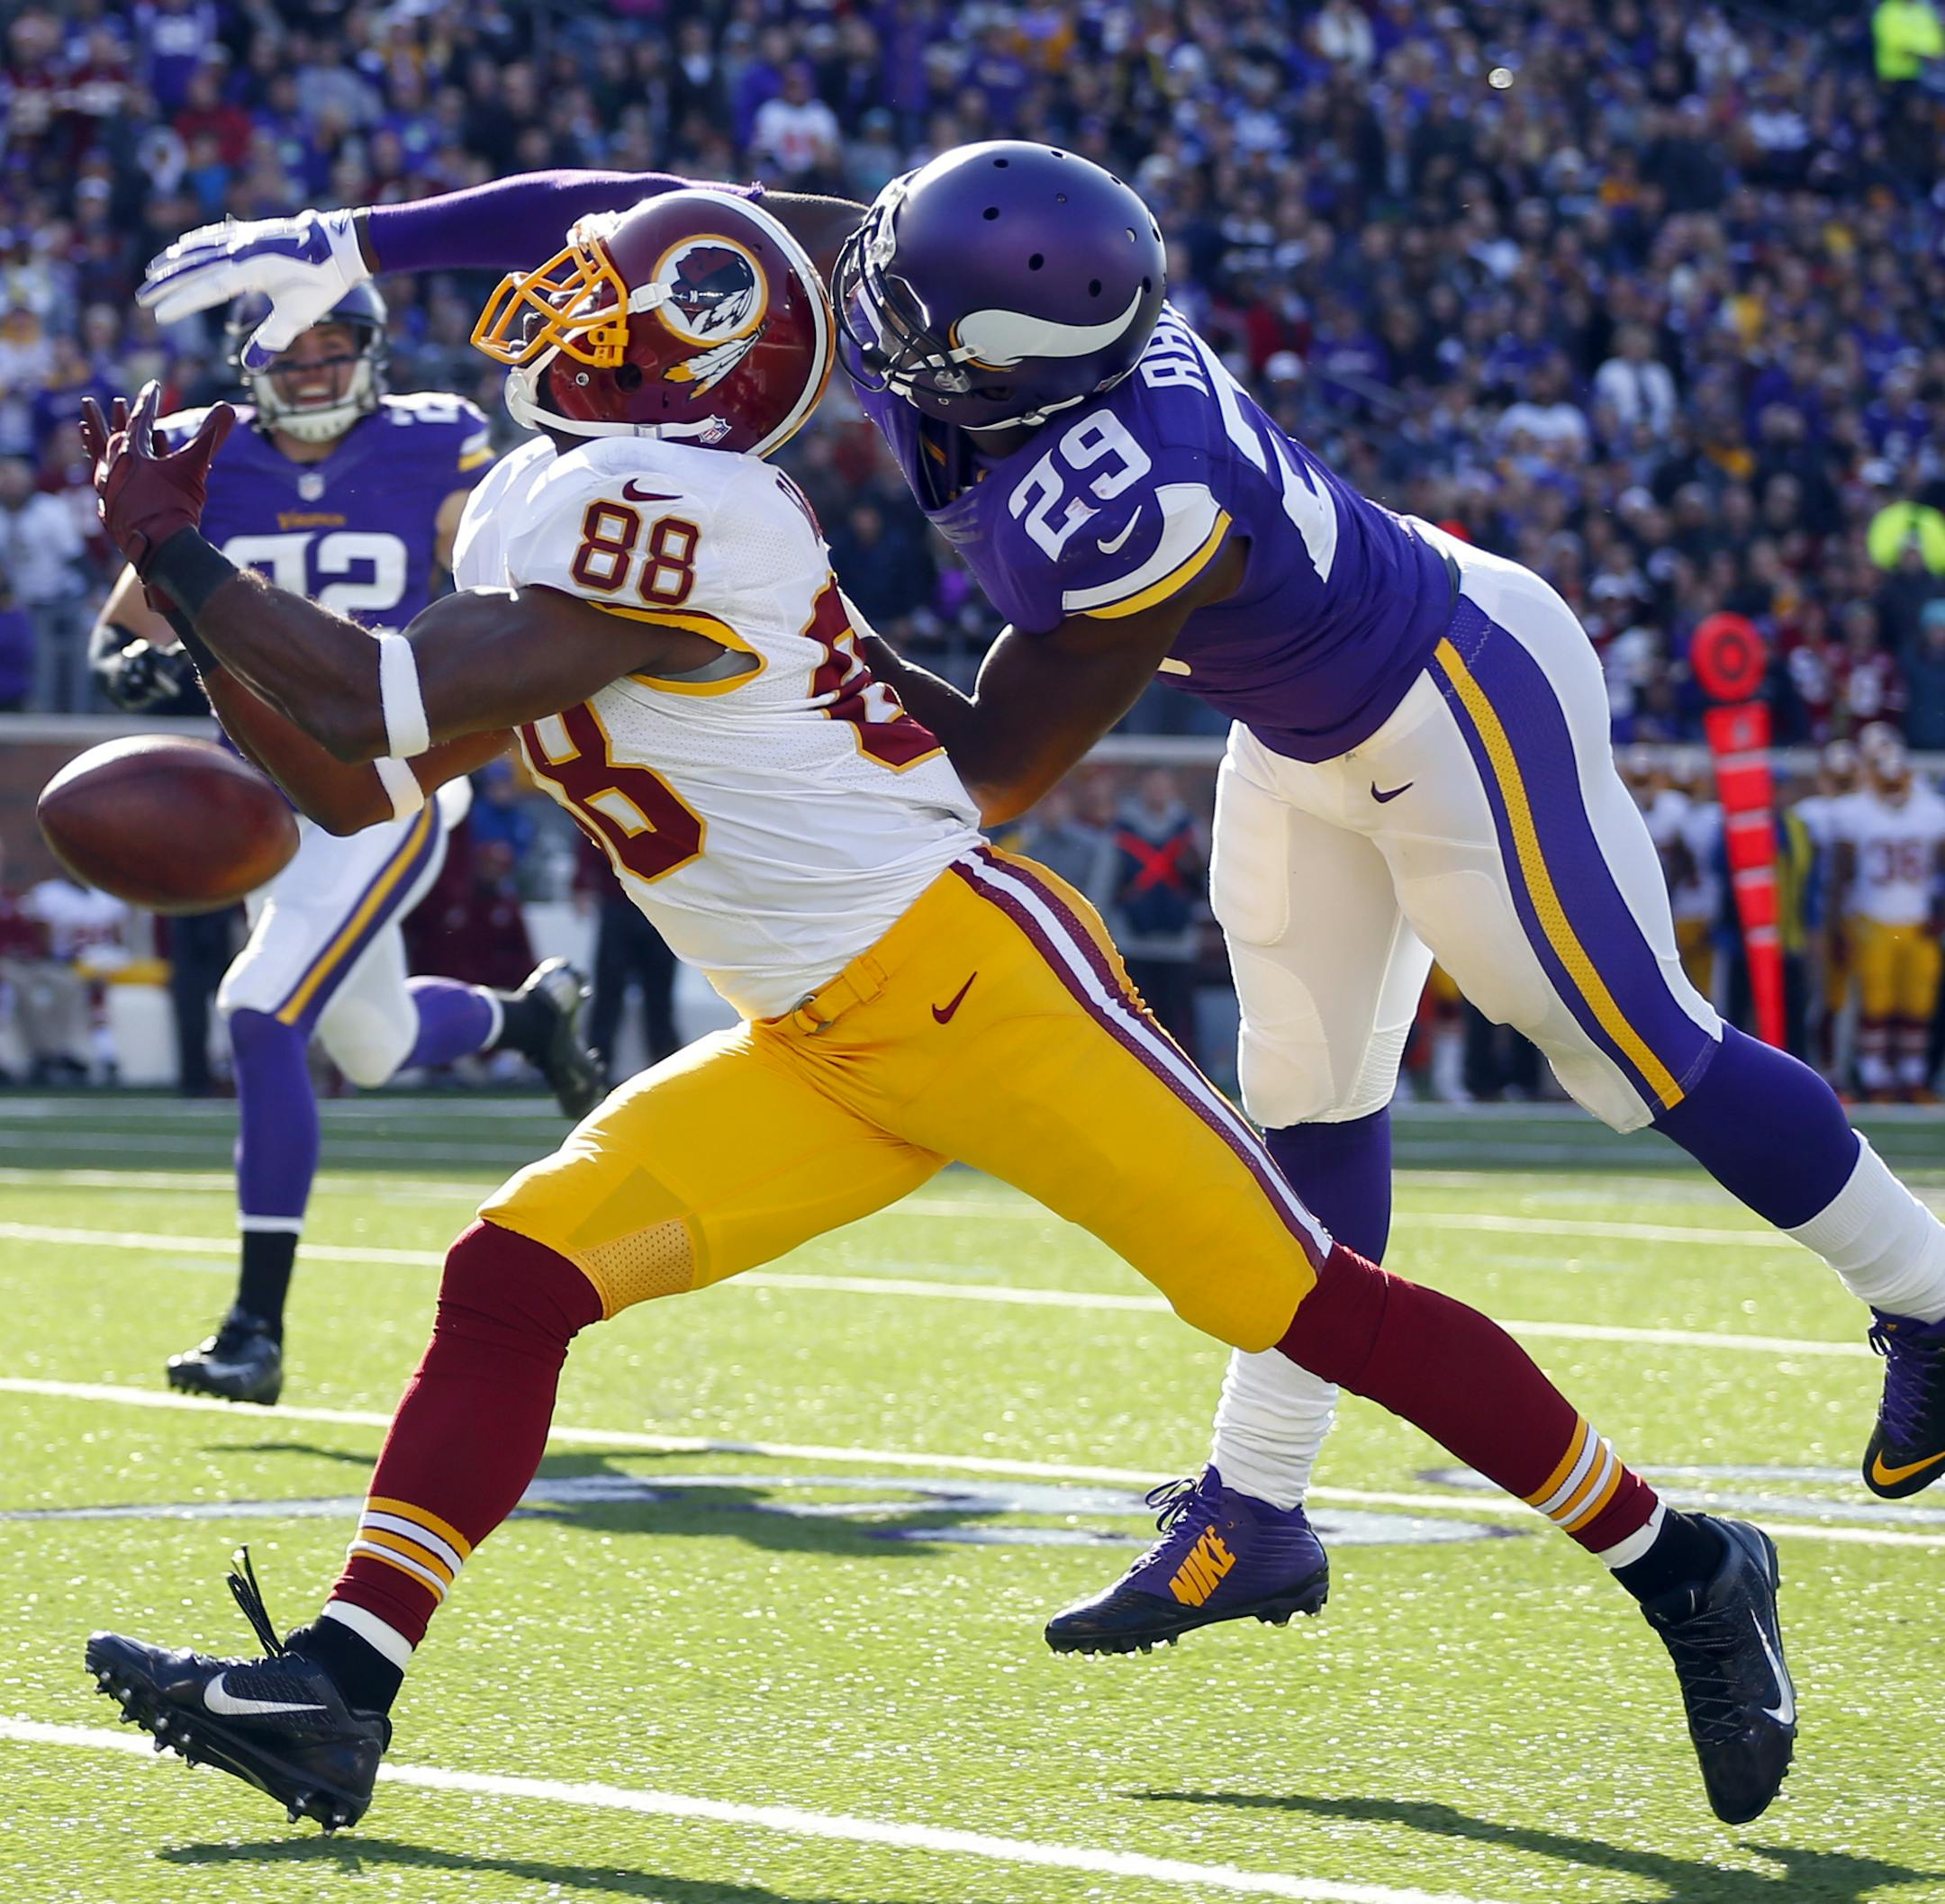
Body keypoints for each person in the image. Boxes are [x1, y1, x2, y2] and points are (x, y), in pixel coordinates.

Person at [89, 187, 1793, 1834]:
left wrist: (187, 552)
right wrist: (200, 618)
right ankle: (338, 1686)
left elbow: (376, 695)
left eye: (611, 303)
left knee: (1305, 1305)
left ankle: (1688, 1562)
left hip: (970, 988)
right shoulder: (564, 496)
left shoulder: (682, 510)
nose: (567, 311)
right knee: (511, 1277)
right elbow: (353, 783)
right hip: (819, 1043)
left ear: (694, 371)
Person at [86, 284, 602, 1406]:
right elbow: (128, 615)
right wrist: (131, 657)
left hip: (386, 785)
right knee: (373, 1041)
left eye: (335, 346)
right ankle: (527, 1016)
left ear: (370, 354)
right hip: (276, 789)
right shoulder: (209, 453)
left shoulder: (433, 442)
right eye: (292, 349)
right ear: (248, 362)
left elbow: (489, 577)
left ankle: (253, 1329)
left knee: (260, 1010)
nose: (315, 368)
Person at [1832, 735, 1945, 1103]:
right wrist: (1838, 925)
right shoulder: (1855, 812)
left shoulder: (1932, 812)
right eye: (1887, 783)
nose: (1894, 790)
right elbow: (1841, 874)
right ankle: (1876, 1079)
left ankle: (1912, 1079)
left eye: (1899, 782)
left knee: (1917, 1004)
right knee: (1876, 1005)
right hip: (1871, 919)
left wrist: (1940, 913)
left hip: (1918, 922)